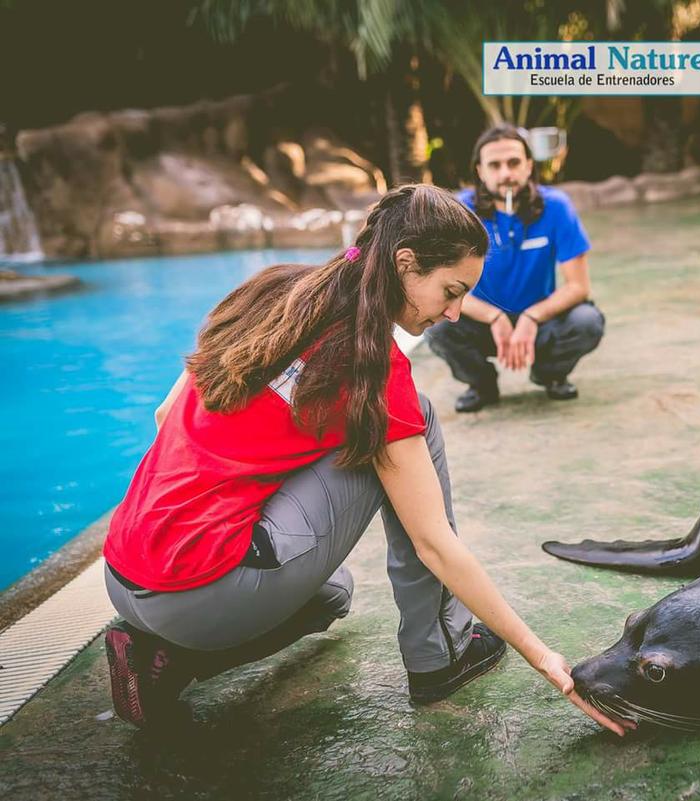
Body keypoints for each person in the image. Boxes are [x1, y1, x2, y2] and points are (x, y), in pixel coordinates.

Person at [100, 184, 632, 736]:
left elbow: (167, 417)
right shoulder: (375, 372)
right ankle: (441, 652)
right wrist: (546, 659)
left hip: (123, 571)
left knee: (336, 596)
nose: (454, 314)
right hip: (201, 592)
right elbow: (434, 545)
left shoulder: (273, 291)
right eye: (450, 291)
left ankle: (162, 656)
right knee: (407, 423)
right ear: (405, 263)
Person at [425, 125, 605, 413]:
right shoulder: (459, 212)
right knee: (438, 326)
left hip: (541, 321)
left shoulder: (556, 206)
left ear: (529, 166)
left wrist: (532, 318)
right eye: (494, 165)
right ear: (480, 171)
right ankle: (481, 383)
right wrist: (494, 317)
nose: (506, 173)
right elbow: (442, 286)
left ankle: (549, 373)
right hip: (480, 320)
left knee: (587, 322)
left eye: (514, 163)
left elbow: (578, 287)